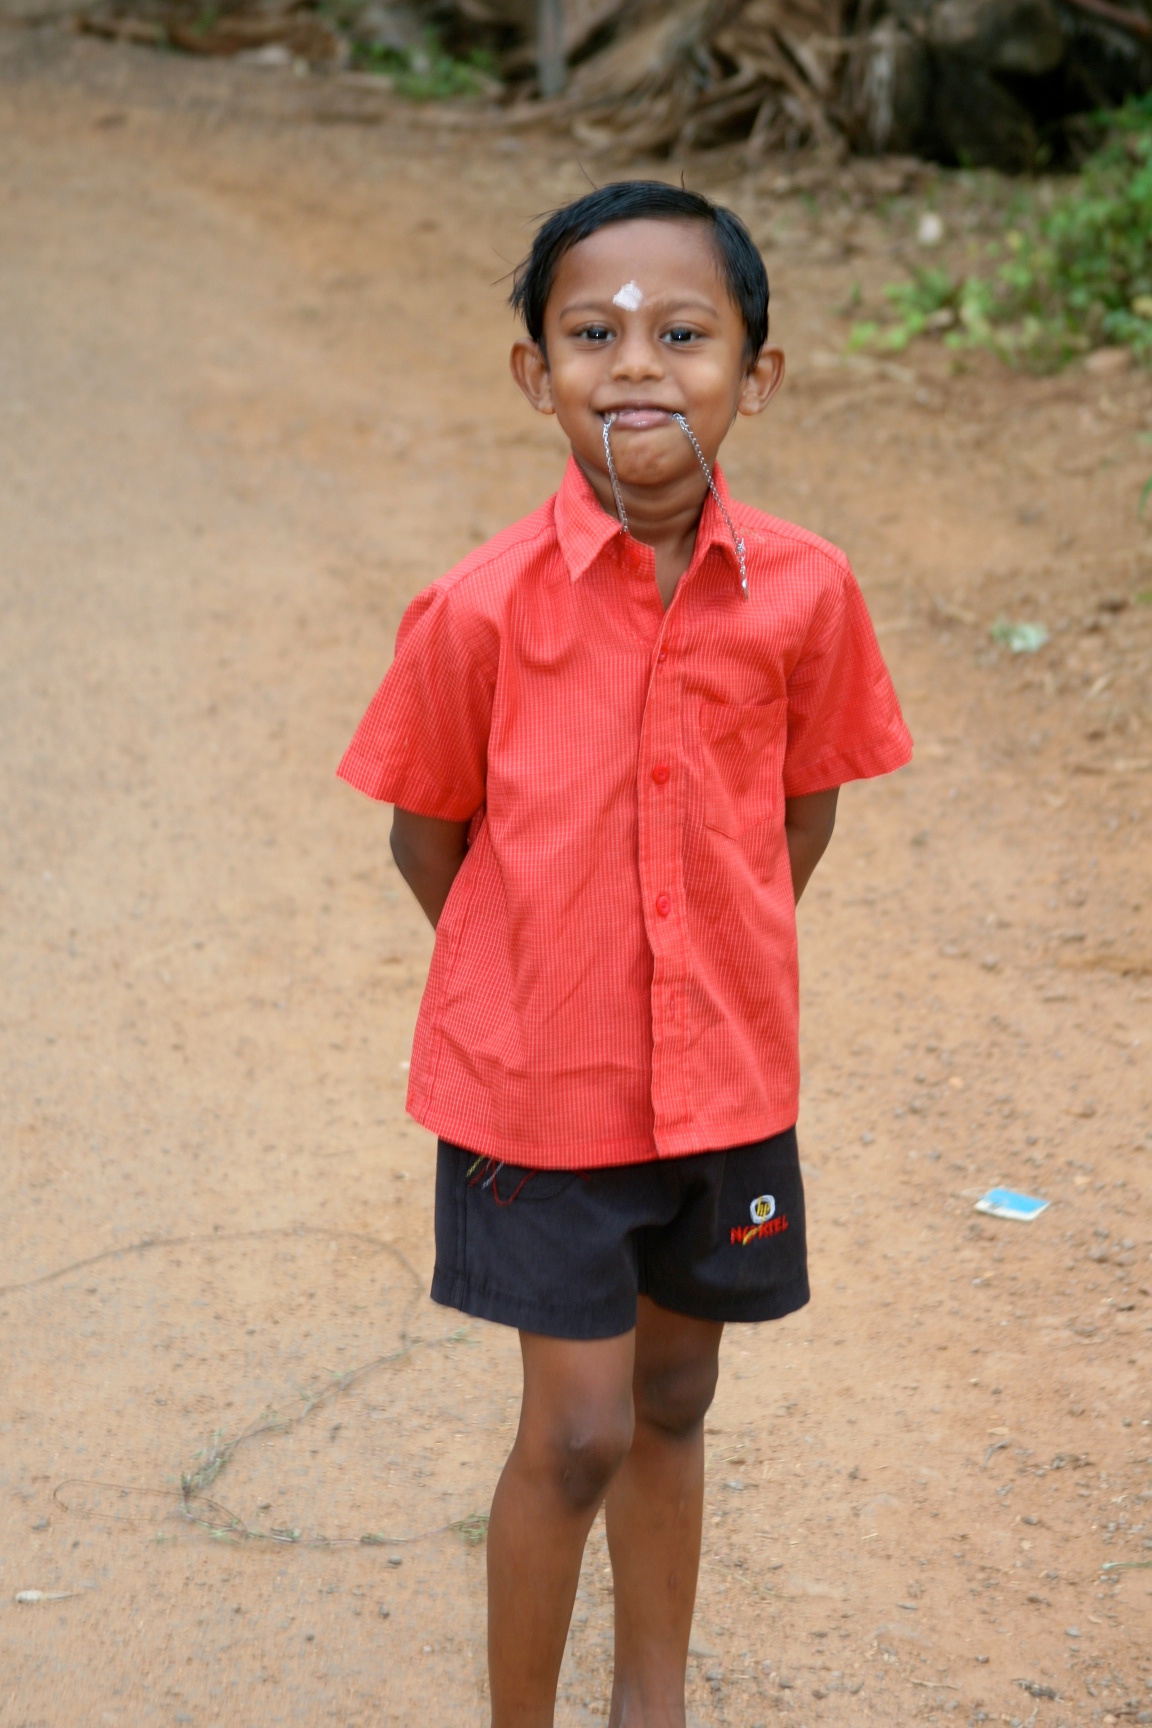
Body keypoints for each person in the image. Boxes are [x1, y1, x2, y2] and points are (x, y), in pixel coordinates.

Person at [338, 179, 912, 1728]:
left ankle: (646, 1705)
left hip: (724, 1084)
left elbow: (802, 813)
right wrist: (535, 977)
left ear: (757, 374)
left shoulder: (806, 592)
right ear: (537, 372)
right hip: (541, 1089)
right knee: (579, 1428)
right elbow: (427, 836)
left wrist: (710, 961)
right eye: (592, 333)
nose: (637, 364)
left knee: (675, 1397)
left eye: (684, 332)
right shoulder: (476, 613)